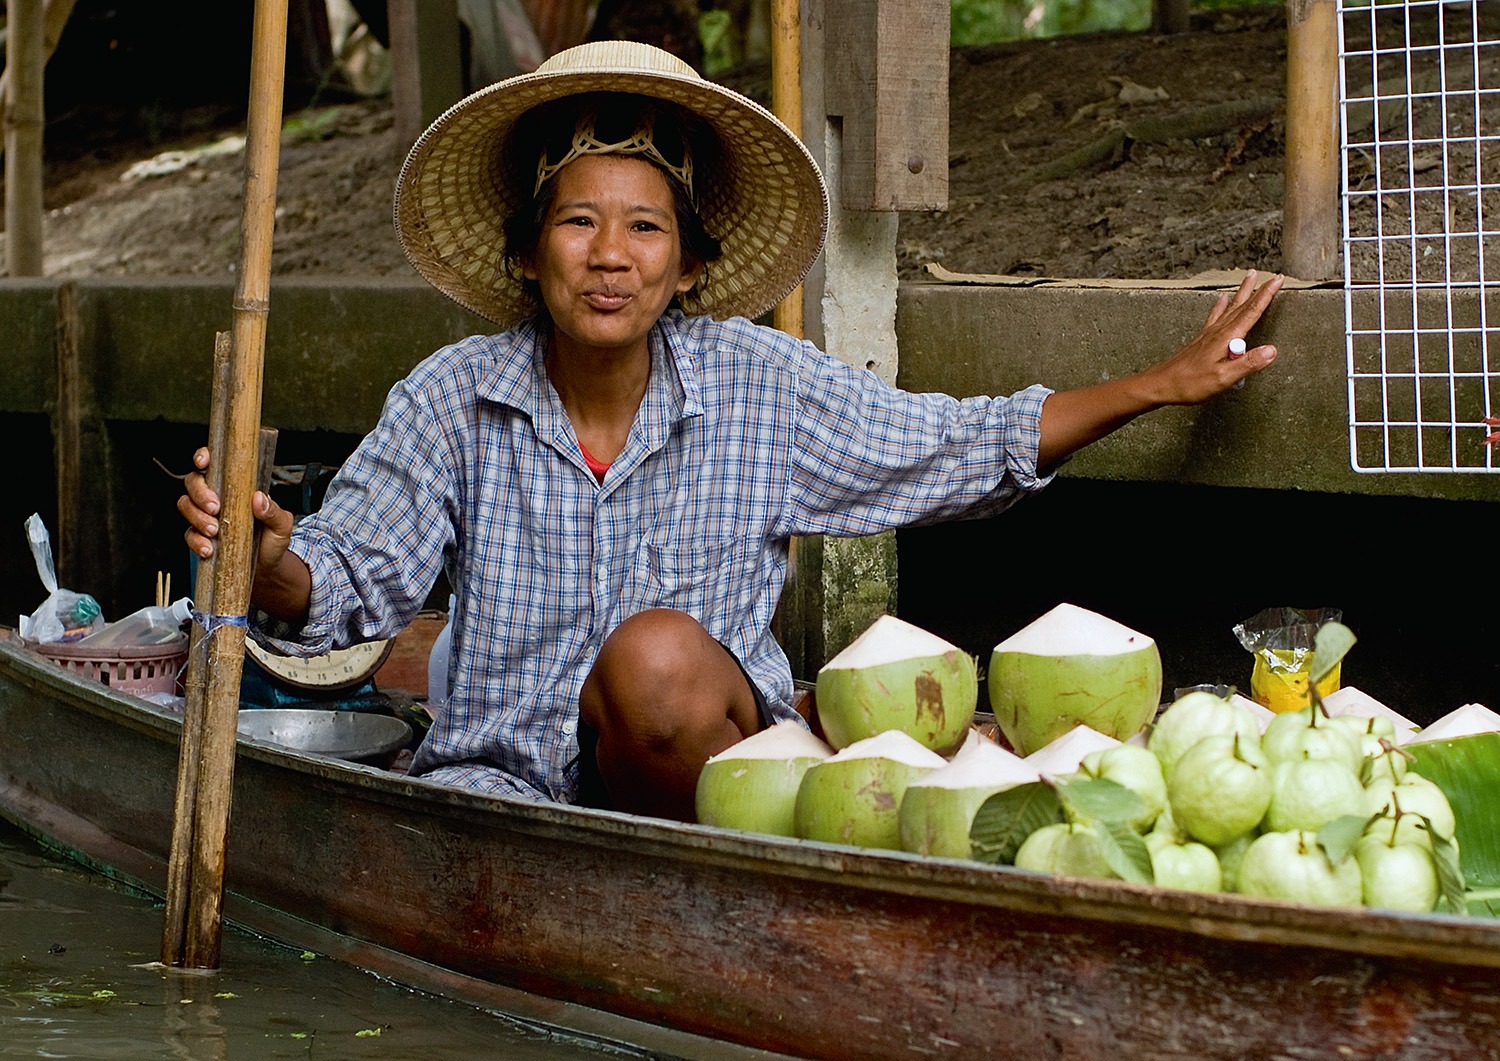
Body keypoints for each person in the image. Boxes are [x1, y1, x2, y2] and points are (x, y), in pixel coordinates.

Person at [180, 40, 1283, 822]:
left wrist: (1155, 383)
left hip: (703, 781)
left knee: (656, 654)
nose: (610, 253)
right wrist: (268, 558)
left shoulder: (759, 384)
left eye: (645, 227)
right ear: (528, 252)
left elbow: (959, 443)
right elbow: (339, 589)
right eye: (577, 221)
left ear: (690, 263)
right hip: (499, 797)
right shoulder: (450, 398)